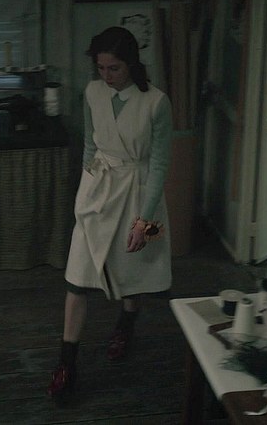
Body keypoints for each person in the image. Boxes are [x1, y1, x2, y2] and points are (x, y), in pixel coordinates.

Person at [47, 26, 173, 403]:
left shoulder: (156, 103)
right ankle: (67, 363)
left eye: (114, 68)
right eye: (101, 68)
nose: (107, 75)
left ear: (131, 63)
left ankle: (126, 323)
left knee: (132, 269)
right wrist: (85, 188)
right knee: (77, 278)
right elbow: (90, 143)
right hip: (98, 190)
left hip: (138, 194)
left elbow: (159, 166)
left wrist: (144, 220)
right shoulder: (92, 93)